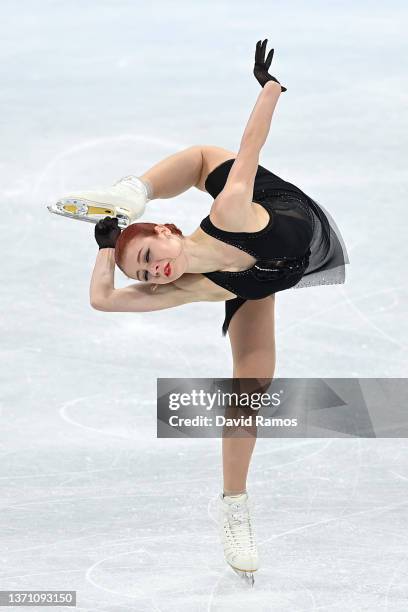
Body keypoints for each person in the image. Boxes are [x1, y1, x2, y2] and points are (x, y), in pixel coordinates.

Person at [49, 40, 348, 585]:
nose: (152, 273)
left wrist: (271, 88)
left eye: (147, 257)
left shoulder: (228, 210)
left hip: (278, 210)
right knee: (249, 391)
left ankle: (133, 191)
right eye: (142, 273)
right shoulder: (195, 286)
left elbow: (249, 144)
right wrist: (104, 247)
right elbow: (103, 299)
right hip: (257, 281)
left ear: (167, 231)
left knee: (201, 159)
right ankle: (235, 505)